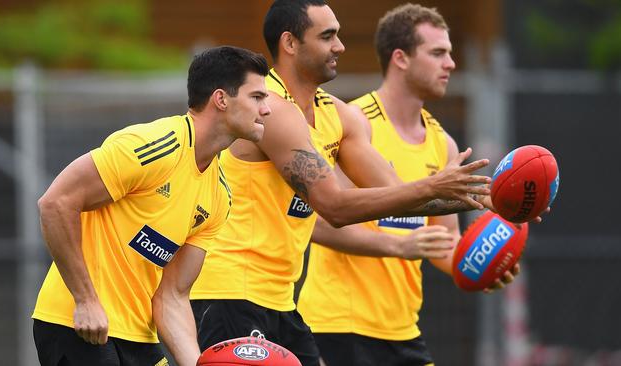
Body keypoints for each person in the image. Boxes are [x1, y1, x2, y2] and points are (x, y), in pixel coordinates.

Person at [190, 1, 495, 365]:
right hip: (229, 291)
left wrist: (484, 193)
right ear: (290, 43)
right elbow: (333, 206)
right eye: (327, 36)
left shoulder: (338, 115)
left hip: (281, 299)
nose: (340, 46)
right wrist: (432, 189)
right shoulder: (269, 108)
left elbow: (399, 195)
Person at [297, 4, 517, 365]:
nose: (451, 64)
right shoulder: (351, 123)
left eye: (450, 53)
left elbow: (443, 245)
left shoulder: (441, 142)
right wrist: (397, 246)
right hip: (338, 325)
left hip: (403, 331)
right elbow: (318, 222)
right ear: (400, 58)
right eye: (438, 53)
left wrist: (482, 265)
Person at [31, 46, 271, 366]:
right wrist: (85, 300)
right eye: (257, 97)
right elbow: (56, 203)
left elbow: (173, 295)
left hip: (140, 338)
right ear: (221, 99)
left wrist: (196, 362)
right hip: (77, 325)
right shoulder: (153, 146)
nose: (267, 109)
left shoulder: (219, 196)